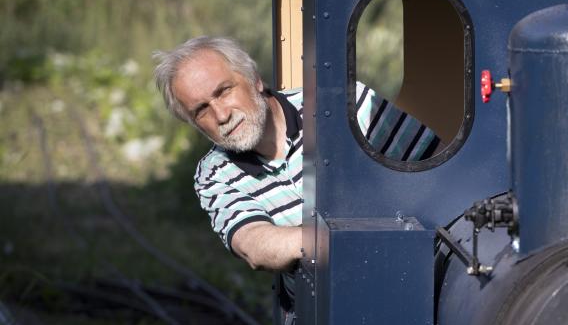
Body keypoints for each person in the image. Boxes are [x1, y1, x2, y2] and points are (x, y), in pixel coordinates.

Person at [153, 36, 439, 272]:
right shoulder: (214, 174)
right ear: (192, 122)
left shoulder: (343, 106)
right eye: (201, 110)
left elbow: (435, 166)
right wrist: (346, 242)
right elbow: (254, 244)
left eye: (224, 91)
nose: (221, 114)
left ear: (255, 80)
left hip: (416, 265)